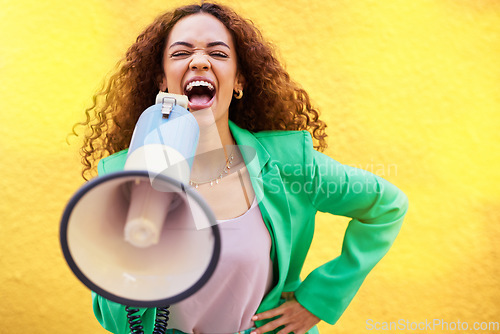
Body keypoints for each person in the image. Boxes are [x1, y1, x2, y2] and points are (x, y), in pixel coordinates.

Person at [74, 2, 408, 334]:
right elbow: (117, 321)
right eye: (180, 53)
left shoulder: (289, 163)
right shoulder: (122, 175)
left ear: (238, 80)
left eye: (218, 54)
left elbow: (387, 206)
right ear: (162, 80)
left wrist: (318, 300)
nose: (200, 61)